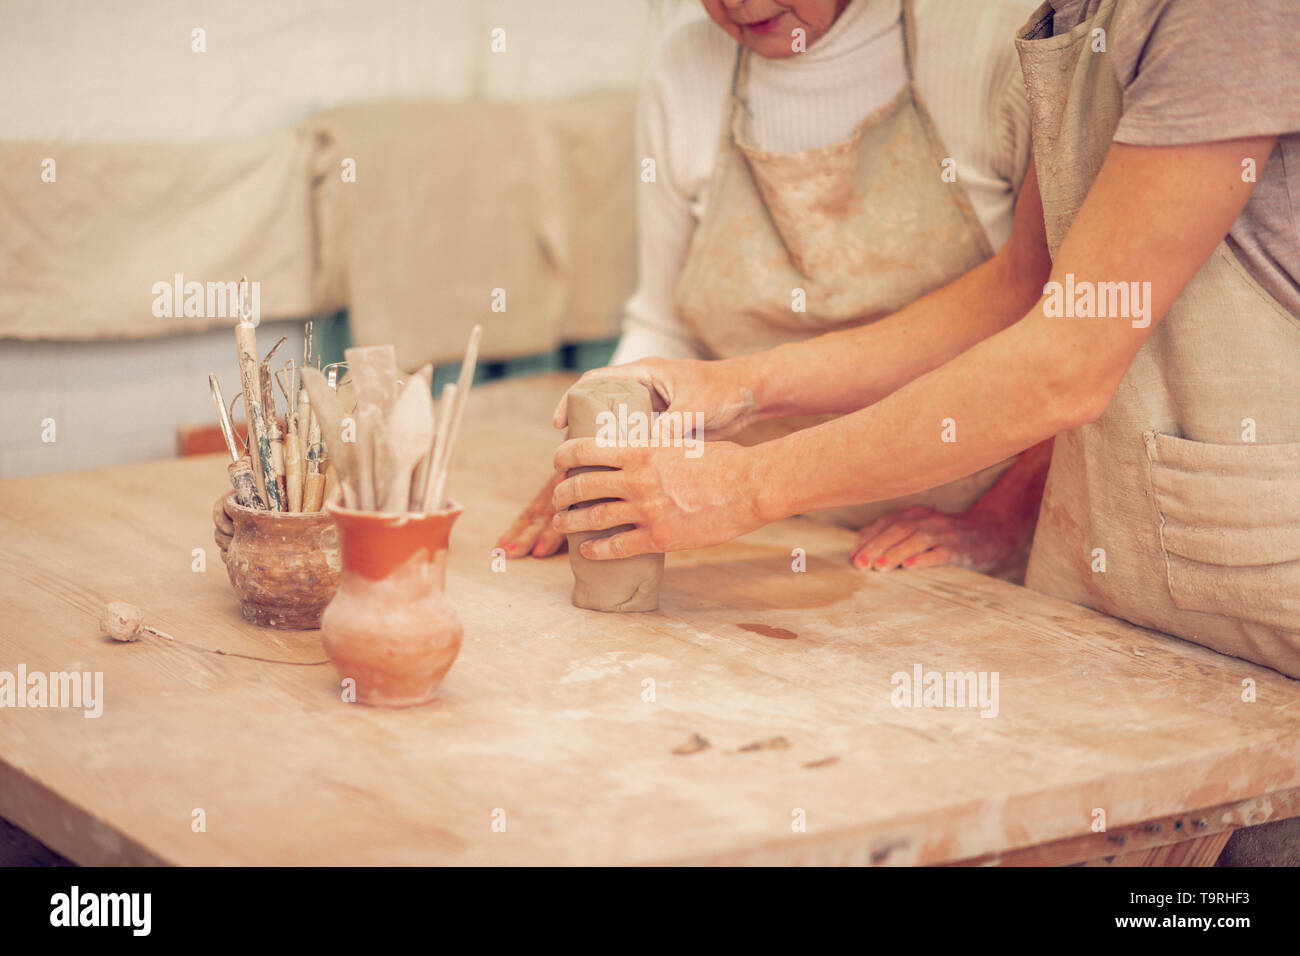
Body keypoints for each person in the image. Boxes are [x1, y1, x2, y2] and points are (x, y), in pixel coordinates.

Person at [552, 0, 1300, 678]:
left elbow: (1067, 360)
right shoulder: (1075, 10)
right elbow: (1018, 287)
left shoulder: (1222, 13)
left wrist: (747, 485)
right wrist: (750, 383)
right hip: (1116, 579)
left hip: (1253, 583)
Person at [499, 0, 1051, 578]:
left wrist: (1003, 521)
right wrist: (604, 459)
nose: (739, 4)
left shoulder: (996, 42)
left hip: (957, 528)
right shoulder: (685, 67)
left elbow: (1075, 336)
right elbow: (665, 326)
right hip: (757, 524)